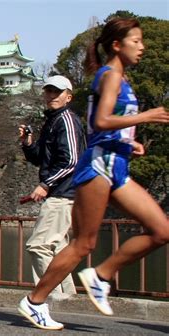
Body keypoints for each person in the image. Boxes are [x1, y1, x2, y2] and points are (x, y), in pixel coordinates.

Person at [18, 17, 169, 330]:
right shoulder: (110, 75)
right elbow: (100, 121)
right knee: (83, 244)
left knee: (161, 231)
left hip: (117, 166)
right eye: (136, 41)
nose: (142, 47)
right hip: (97, 168)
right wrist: (148, 116)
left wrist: (129, 143)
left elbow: (103, 125)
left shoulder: (119, 78)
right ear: (117, 45)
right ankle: (34, 302)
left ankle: (100, 274)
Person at [19, 75, 85, 296]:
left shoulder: (66, 120)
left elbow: (72, 161)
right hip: (61, 193)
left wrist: (46, 184)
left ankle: (50, 297)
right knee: (56, 249)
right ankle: (67, 299)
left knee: (38, 246)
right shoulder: (53, 121)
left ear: (68, 96)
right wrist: (28, 143)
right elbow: (40, 158)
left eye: (56, 92)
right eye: (48, 91)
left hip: (63, 194)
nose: (51, 96)